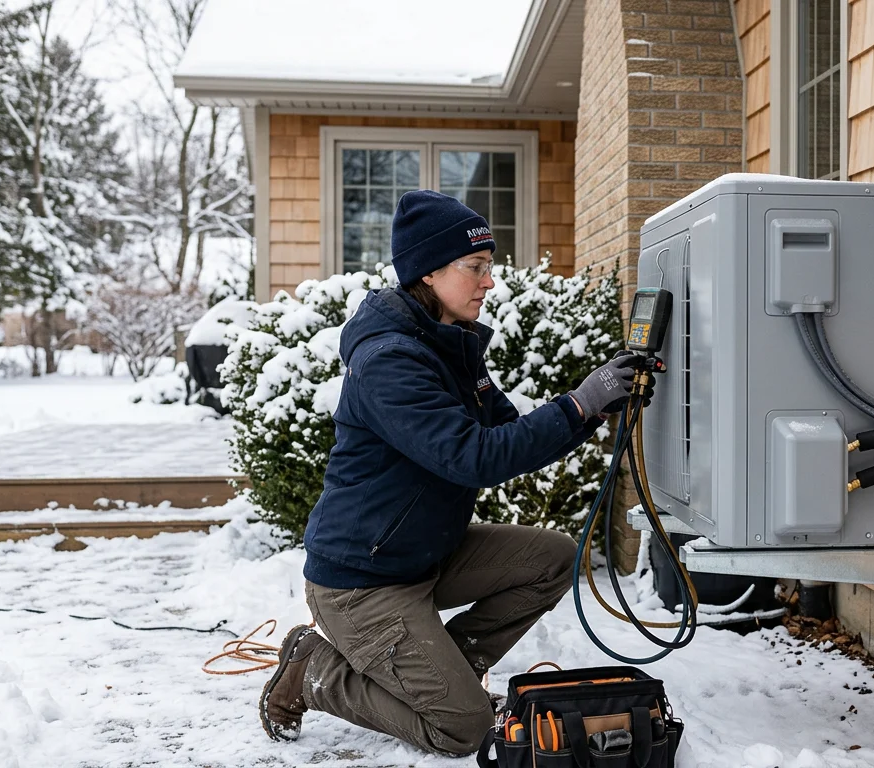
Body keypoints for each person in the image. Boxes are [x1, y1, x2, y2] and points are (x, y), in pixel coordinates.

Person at [256, 190, 642, 756]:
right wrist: (578, 405)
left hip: (423, 559)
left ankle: (444, 676)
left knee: (552, 558)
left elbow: (508, 434)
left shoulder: (446, 343)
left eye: (490, 267)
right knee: (459, 730)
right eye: (477, 268)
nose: (489, 282)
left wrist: (597, 405)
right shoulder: (389, 360)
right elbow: (473, 457)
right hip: (362, 584)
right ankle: (314, 670)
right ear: (430, 272)